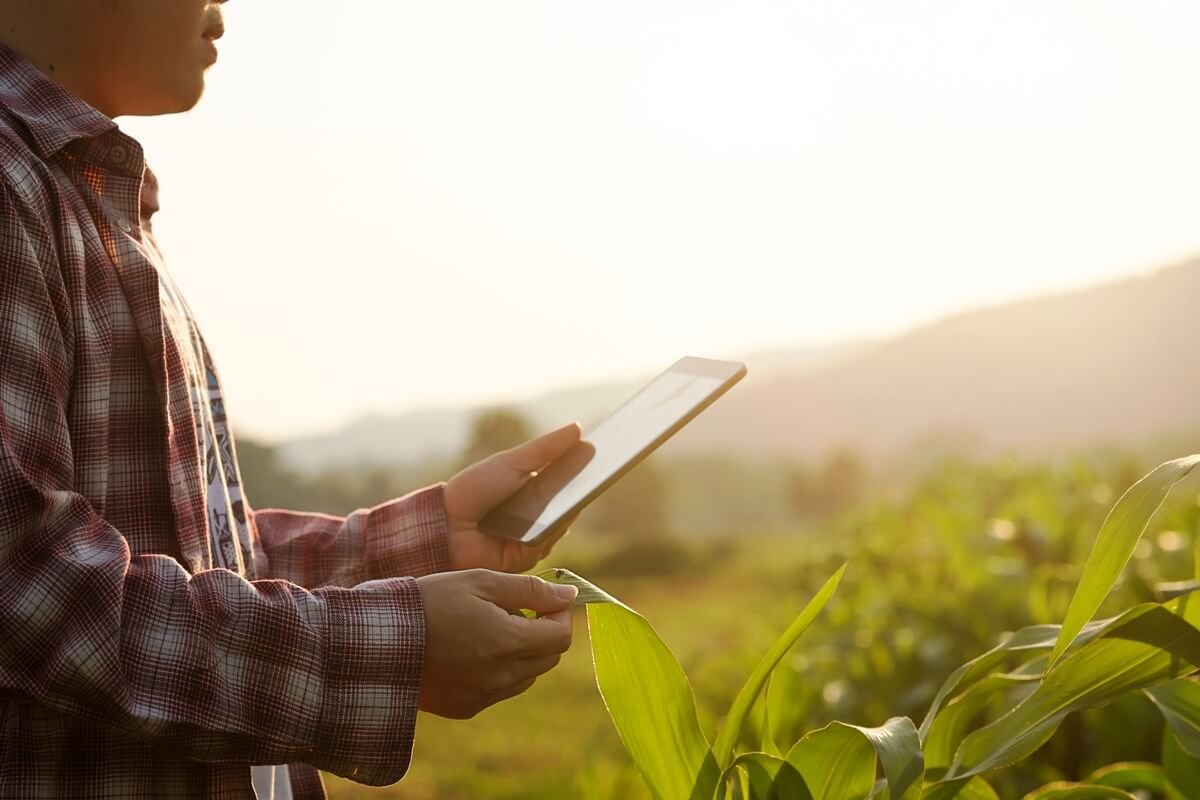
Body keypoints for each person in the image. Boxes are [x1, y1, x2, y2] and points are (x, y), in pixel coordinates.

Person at [0, 1, 582, 797]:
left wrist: (420, 541)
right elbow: (29, 590)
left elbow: (191, 561)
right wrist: (388, 651)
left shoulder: (83, 190)